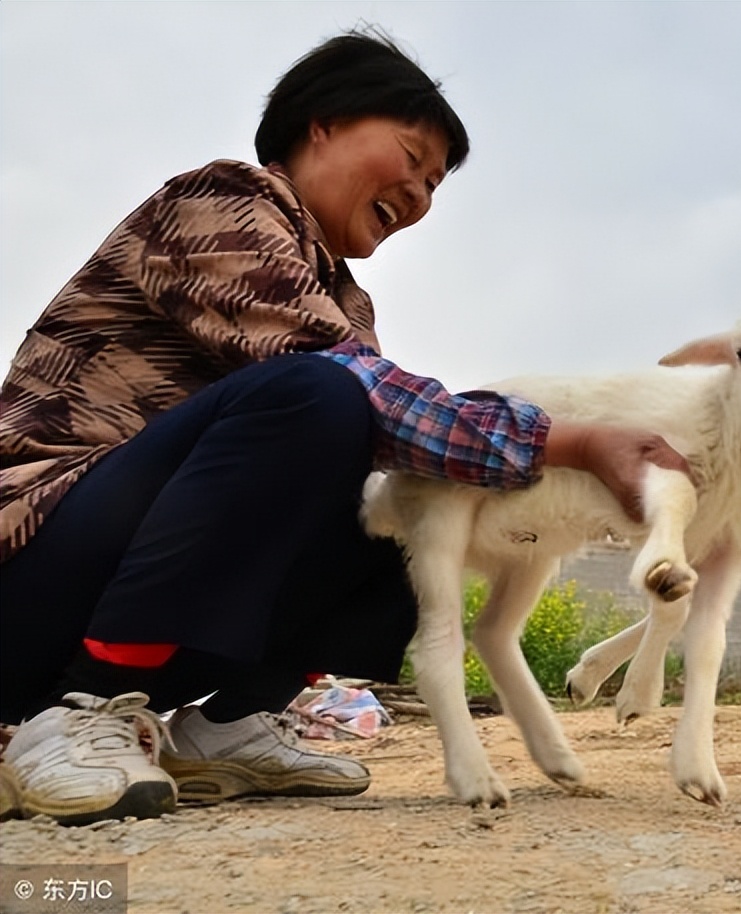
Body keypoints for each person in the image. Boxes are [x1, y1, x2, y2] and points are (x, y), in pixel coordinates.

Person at [0, 29, 688, 827]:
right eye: (412, 157)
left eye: (435, 185)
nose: (421, 198)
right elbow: (348, 386)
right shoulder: (219, 202)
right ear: (322, 122)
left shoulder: (346, 300)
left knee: (406, 495)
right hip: (34, 560)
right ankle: (83, 707)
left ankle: (224, 724)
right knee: (323, 398)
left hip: (125, 584)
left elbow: (392, 424)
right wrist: (571, 443)